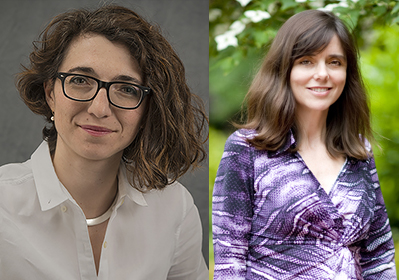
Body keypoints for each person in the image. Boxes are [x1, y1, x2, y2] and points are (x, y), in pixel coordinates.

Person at [0, 5, 208, 279]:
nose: (99, 109)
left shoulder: (174, 209)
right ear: (51, 93)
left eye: (126, 89)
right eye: (79, 80)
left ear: (147, 108)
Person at [212, 9, 396, 279]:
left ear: (347, 73)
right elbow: (230, 259)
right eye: (307, 61)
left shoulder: (359, 152)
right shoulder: (247, 149)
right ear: (284, 68)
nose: (322, 74)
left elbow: (379, 257)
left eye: (334, 62)